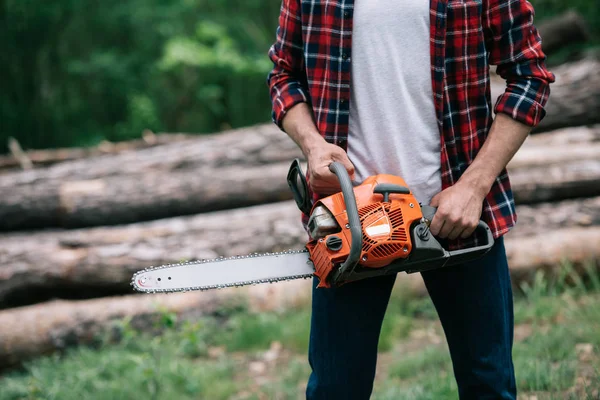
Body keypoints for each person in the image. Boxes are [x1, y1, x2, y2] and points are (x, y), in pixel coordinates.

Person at [266, 0, 554, 398]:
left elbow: (530, 77)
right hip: (350, 218)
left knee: (488, 383)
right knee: (335, 389)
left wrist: (474, 186)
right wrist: (313, 145)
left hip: (456, 213)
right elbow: (283, 74)